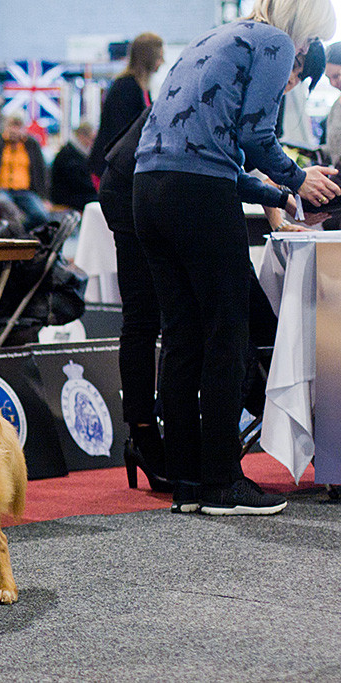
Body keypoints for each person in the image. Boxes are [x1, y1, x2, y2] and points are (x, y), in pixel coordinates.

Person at [133, 0, 339, 516]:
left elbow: (206, 147)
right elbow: (254, 137)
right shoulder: (274, 44)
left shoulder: (216, 37)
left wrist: (277, 194)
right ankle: (224, 482)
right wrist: (298, 178)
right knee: (228, 335)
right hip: (197, 195)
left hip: (148, 189)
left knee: (181, 337)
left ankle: (187, 482)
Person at [87, 32, 164, 182]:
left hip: (119, 164)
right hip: (109, 166)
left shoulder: (142, 88)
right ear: (149, 58)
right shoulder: (126, 86)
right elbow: (121, 131)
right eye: (160, 57)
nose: (162, 61)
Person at [0, 113, 49, 228]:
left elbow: (41, 172)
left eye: (18, 126)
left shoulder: (32, 144)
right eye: (11, 125)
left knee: (40, 215)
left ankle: (20, 232)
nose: (14, 130)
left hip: (25, 191)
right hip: (2, 189)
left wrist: (44, 197)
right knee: (7, 209)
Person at [50, 122, 98, 211]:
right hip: (67, 197)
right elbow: (79, 181)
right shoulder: (68, 154)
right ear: (82, 136)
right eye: (92, 139)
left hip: (74, 194)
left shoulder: (75, 152)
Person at [322, 42, 341, 164]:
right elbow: (334, 149)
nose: (333, 83)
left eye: (337, 76)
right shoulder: (336, 104)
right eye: (329, 78)